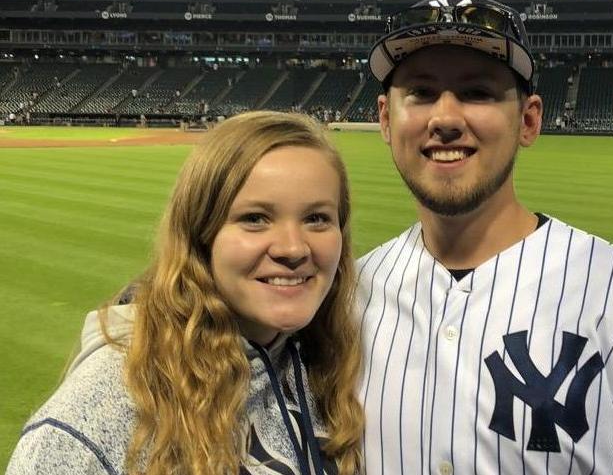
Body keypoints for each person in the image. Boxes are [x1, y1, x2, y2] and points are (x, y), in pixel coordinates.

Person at [358, 0, 613, 474]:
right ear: (385, 120)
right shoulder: (346, 299)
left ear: (529, 120)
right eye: (420, 92)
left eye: (477, 92)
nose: (446, 118)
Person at [8, 111, 363, 475]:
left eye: (317, 218)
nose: (293, 248)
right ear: (200, 234)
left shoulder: (329, 366)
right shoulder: (97, 415)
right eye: (255, 218)